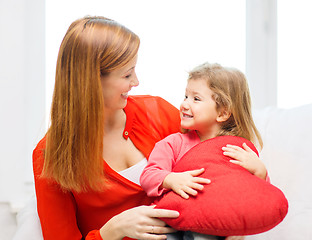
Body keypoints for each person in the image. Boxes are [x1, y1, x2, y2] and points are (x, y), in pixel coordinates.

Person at [32, 16, 182, 240]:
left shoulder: (158, 111)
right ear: (91, 81)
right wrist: (111, 231)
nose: (136, 81)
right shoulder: (50, 155)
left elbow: (213, 160)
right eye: (127, 74)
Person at [140, 62, 268, 240]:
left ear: (223, 113)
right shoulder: (173, 143)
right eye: (185, 96)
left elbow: (256, 195)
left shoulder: (237, 150)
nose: (184, 104)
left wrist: (260, 171)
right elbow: (148, 176)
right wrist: (171, 179)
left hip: (212, 225)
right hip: (172, 222)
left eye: (196, 99)